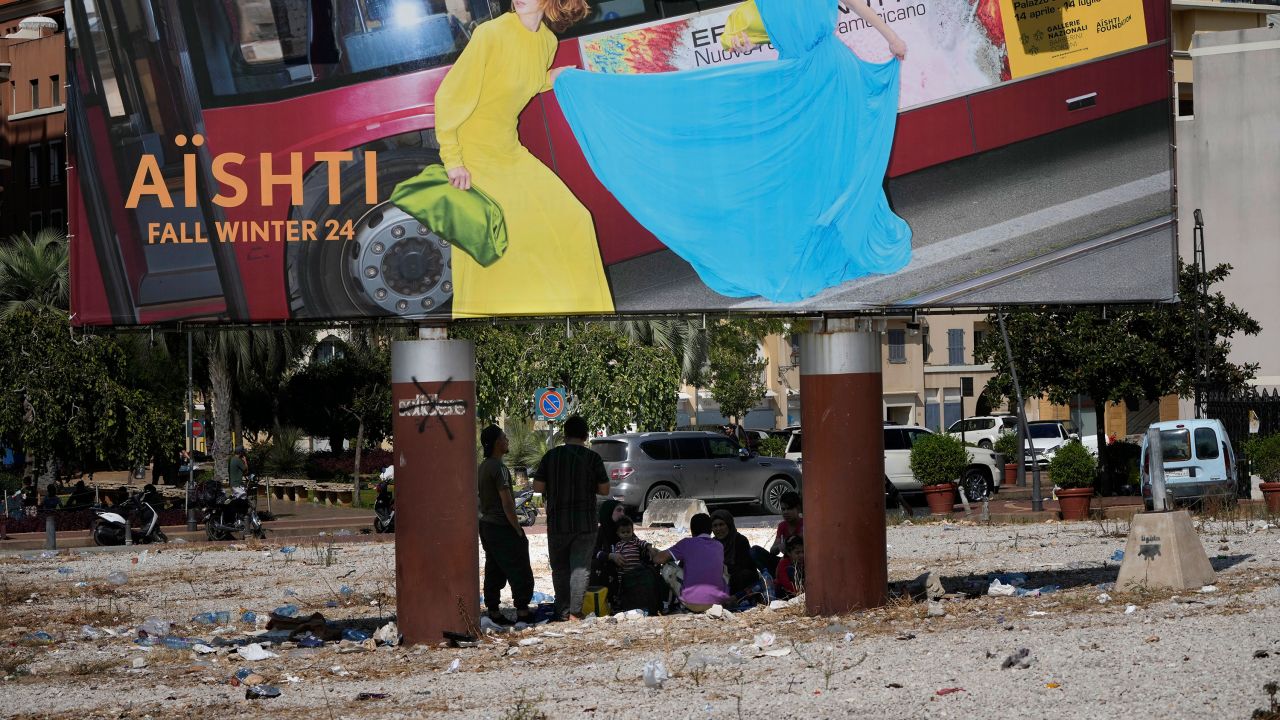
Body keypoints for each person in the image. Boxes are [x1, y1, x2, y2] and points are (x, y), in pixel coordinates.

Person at [553, 0, 911, 303]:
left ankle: (850, 240)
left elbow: (857, 4)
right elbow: (738, 39)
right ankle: (830, 245)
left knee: (842, 163)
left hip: (831, 75)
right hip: (800, 82)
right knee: (813, 169)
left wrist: (892, 36)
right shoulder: (754, 7)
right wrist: (738, 41)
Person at [431, 0, 614, 317]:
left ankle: (576, 316)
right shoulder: (491, 34)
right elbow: (447, 97)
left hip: (509, 151)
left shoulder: (547, 41)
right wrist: (453, 160)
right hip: (475, 155)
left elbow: (522, 81)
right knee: (498, 247)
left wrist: (551, 77)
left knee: (574, 219)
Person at [533, 415, 610, 621]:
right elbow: (604, 489)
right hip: (585, 523)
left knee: (560, 569)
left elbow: (537, 487)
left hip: (558, 522)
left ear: (565, 434)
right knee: (580, 568)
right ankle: (576, 613)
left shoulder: (551, 456)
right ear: (585, 435)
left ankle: (562, 611)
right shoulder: (593, 458)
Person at [477, 425, 535, 625]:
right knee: (519, 567)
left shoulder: (483, 467)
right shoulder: (499, 468)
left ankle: (493, 610)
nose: (507, 440)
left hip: (486, 525)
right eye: (504, 437)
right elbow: (508, 502)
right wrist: (517, 529)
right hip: (501, 526)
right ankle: (523, 611)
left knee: (494, 566)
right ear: (496, 443)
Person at [650, 513, 731, 613]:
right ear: (710, 530)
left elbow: (659, 559)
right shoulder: (719, 545)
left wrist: (654, 551)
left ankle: (668, 604)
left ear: (692, 530)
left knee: (668, 565)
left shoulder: (686, 543)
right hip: (717, 602)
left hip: (692, 603)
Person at [710, 509, 763, 606]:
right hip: (721, 582)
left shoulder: (740, 540)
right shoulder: (712, 544)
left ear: (729, 525)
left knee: (744, 575)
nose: (718, 529)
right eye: (715, 526)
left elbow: (746, 566)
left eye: (721, 525)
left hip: (738, 581)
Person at [751, 490, 803, 575]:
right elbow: (773, 550)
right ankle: (770, 578)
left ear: (798, 508)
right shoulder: (782, 526)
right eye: (783, 509)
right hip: (784, 563)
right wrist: (780, 546)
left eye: (789, 508)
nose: (785, 512)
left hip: (799, 564)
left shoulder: (805, 525)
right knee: (754, 551)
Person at [590, 499, 625, 588]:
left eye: (623, 511)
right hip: (605, 578)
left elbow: (637, 542)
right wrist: (610, 556)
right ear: (608, 511)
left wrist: (648, 547)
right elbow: (592, 552)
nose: (622, 514)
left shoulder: (624, 531)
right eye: (618, 510)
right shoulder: (600, 532)